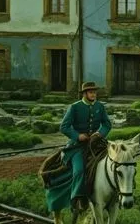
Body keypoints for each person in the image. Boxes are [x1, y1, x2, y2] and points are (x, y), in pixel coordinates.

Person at [59, 81, 112, 211]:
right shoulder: (75, 107)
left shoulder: (100, 106)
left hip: (96, 143)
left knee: (114, 162)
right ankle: (77, 199)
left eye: (94, 92)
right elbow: (63, 127)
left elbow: (107, 124)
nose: (93, 94)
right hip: (77, 146)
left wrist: (100, 133)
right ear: (84, 94)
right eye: (90, 92)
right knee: (79, 171)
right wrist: (78, 136)